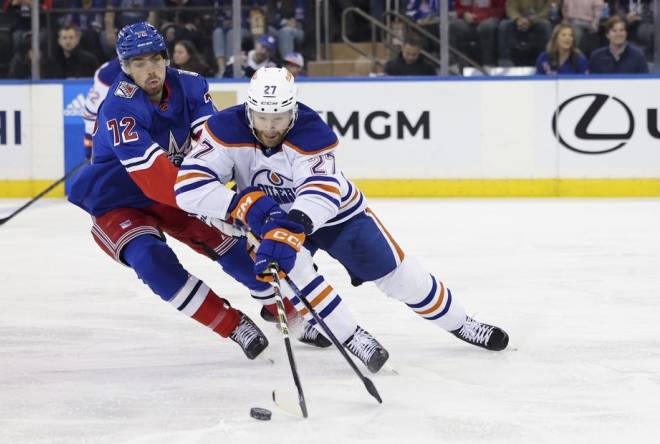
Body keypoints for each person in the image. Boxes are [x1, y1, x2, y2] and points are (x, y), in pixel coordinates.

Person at [175, 67, 510, 364]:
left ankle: (462, 322)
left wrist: (293, 228)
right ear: (250, 109)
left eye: (278, 118)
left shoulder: (312, 131)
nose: (270, 127)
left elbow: (321, 190)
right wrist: (241, 207)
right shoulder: (224, 129)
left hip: (336, 216)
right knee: (293, 273)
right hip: (270, 217)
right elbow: (188, 187)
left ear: (292, 110)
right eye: (263, 118)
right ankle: (353, 336)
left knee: (401, 277)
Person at [67, 23, 333, 363]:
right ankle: (232, 324)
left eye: (154, 59)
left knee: (238, 251)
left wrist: (238, 197)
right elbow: (154, 178)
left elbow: (216, 147)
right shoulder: (119, 107)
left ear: (165, 57)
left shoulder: (191, 85)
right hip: (119, 200)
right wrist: (222, 207)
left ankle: (281, 309)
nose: (149, 69)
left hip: (179, 189)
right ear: (124, 67)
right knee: (151, 260)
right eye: (137, 63)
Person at [449, 0, 505, 67]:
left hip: (490, 19)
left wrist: (480, 17)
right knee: (453, 26)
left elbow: (501, 9)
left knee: (486, 27)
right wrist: (464, 14)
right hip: (470, 23)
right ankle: (454, 65)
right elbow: (458, 7)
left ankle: (488, 64)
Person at [498, 0, 553, 66]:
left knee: (546, 26)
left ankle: (547, 60)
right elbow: (510, 7)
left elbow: (548, 9)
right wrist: (518, 19)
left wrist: (531, 20)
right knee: (504, 25)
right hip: (518, 21)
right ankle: (505, 61)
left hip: (538, 20)